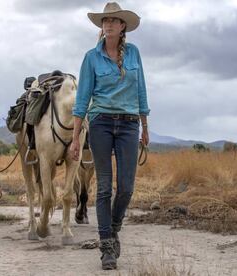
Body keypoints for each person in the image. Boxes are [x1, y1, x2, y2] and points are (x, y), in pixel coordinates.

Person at [70, 2, 150, 270]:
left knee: (126, 188)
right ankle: (106, 246)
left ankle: (113, 228)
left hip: (129, 125)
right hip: (101, 123)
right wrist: (74, 137)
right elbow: (82, 100)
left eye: (114, 21)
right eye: (105, 21)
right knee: (104, 188)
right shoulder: (91, 57)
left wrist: (145, 126)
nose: (109, 24)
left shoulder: (134, 54)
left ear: (122, 26)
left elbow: (141, 91)